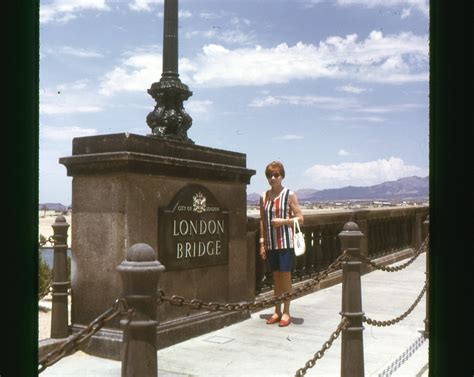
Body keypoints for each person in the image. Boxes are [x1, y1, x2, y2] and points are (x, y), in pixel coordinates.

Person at [259, 161, 304, 327]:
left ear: (282, 176)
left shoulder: (289, 195)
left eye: (276, 175)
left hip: (285, 242)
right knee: (275, 278)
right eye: (270, 175)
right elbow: (263, 222)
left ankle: (286, 312)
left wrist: (284, 221)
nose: (273, 178)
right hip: (271, 244)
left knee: (285, 278)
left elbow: (301, 218)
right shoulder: (263, 196)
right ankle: (276, 310)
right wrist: (262, 243)